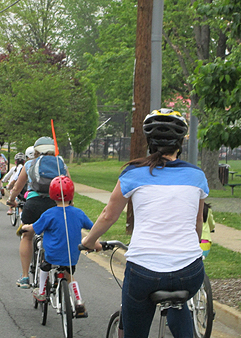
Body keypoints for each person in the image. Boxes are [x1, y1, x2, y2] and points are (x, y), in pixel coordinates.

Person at [81, 108, 209, 338]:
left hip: (145, 271)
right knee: (178, 299)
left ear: (149, 141)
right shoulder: (197, 175)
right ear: (180, 142)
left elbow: (109, 214)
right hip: (189, 271)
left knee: (135, 326)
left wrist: (89, 240)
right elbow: (197, 222)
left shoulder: (133, 173)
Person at [21, 176, 92, 318]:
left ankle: (41, 292)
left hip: (52, 255)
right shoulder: (79, 213)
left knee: (44, 267)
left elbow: (35, 228)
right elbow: (92, 227)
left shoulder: (49, 214)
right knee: (69, 275)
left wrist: (26, 227)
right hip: (72, 256)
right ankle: (78, 301)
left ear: (52, 195)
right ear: (72, 194)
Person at [6, 136, 69, 289]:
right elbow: (68, 185)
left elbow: (17, 187)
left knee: (27, 236)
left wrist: (11, 200)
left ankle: (25, 276)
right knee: (60, 237)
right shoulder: (61, 164)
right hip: (56, 205)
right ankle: (64, 277)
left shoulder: (29, 164)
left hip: (34, 204)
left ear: (35, 151)